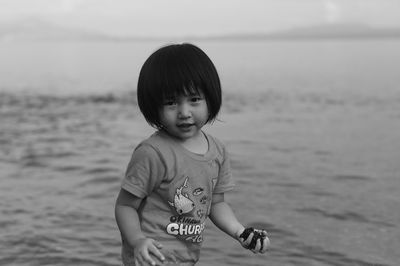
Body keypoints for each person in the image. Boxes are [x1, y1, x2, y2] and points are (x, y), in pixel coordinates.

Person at [115, 43, 270, 266]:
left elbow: (215, 204)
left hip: (186, 259)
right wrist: (138, 240)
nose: (184, 113)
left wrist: (240, 231)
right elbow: (125, 206)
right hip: (150, 259)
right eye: (171, 103)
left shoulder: (217, 151)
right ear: (154, 106)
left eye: (194, 99)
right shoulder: (152, 153)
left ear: (210, 98)